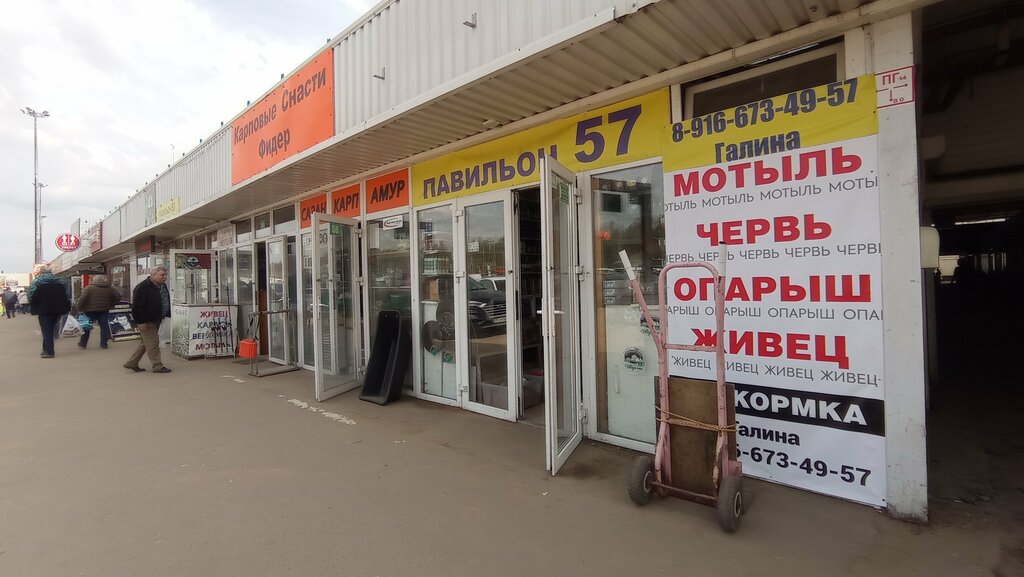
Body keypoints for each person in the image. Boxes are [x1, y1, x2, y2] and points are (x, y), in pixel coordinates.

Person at [124, 266, 172, 373]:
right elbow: (137, 306)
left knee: (146, 343)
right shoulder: (143, 287)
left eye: (166, 275)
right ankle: (157, 366)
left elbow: (164, 299)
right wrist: (141, 321)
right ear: (153, 275)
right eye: (162, 275)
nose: (165, 277)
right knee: (153, 343)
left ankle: (132, 363)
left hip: (157, 318)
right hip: (147, 320)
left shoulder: (162, 285)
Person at [28, 265, 71, 358]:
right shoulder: (60, 282)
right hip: (58, 309)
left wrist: (35, 305)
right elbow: (67, 295)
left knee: (46, 330)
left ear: (41, 272)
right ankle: (45, 349)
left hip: (43, 310)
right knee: (50, 328)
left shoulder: (37, 283)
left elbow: (30, 295)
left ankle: (49, 352)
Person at [76, 275, 121, 350]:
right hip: (104, 309)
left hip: (89, 310)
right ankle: (104, 344)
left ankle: (83, 343)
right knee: (104, 327)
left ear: (94, 280)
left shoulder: (89, 288)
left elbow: (82, 299)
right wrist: (111, 304)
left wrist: (80, 308)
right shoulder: (109, 288)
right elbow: (118, 297)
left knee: (86, 326)